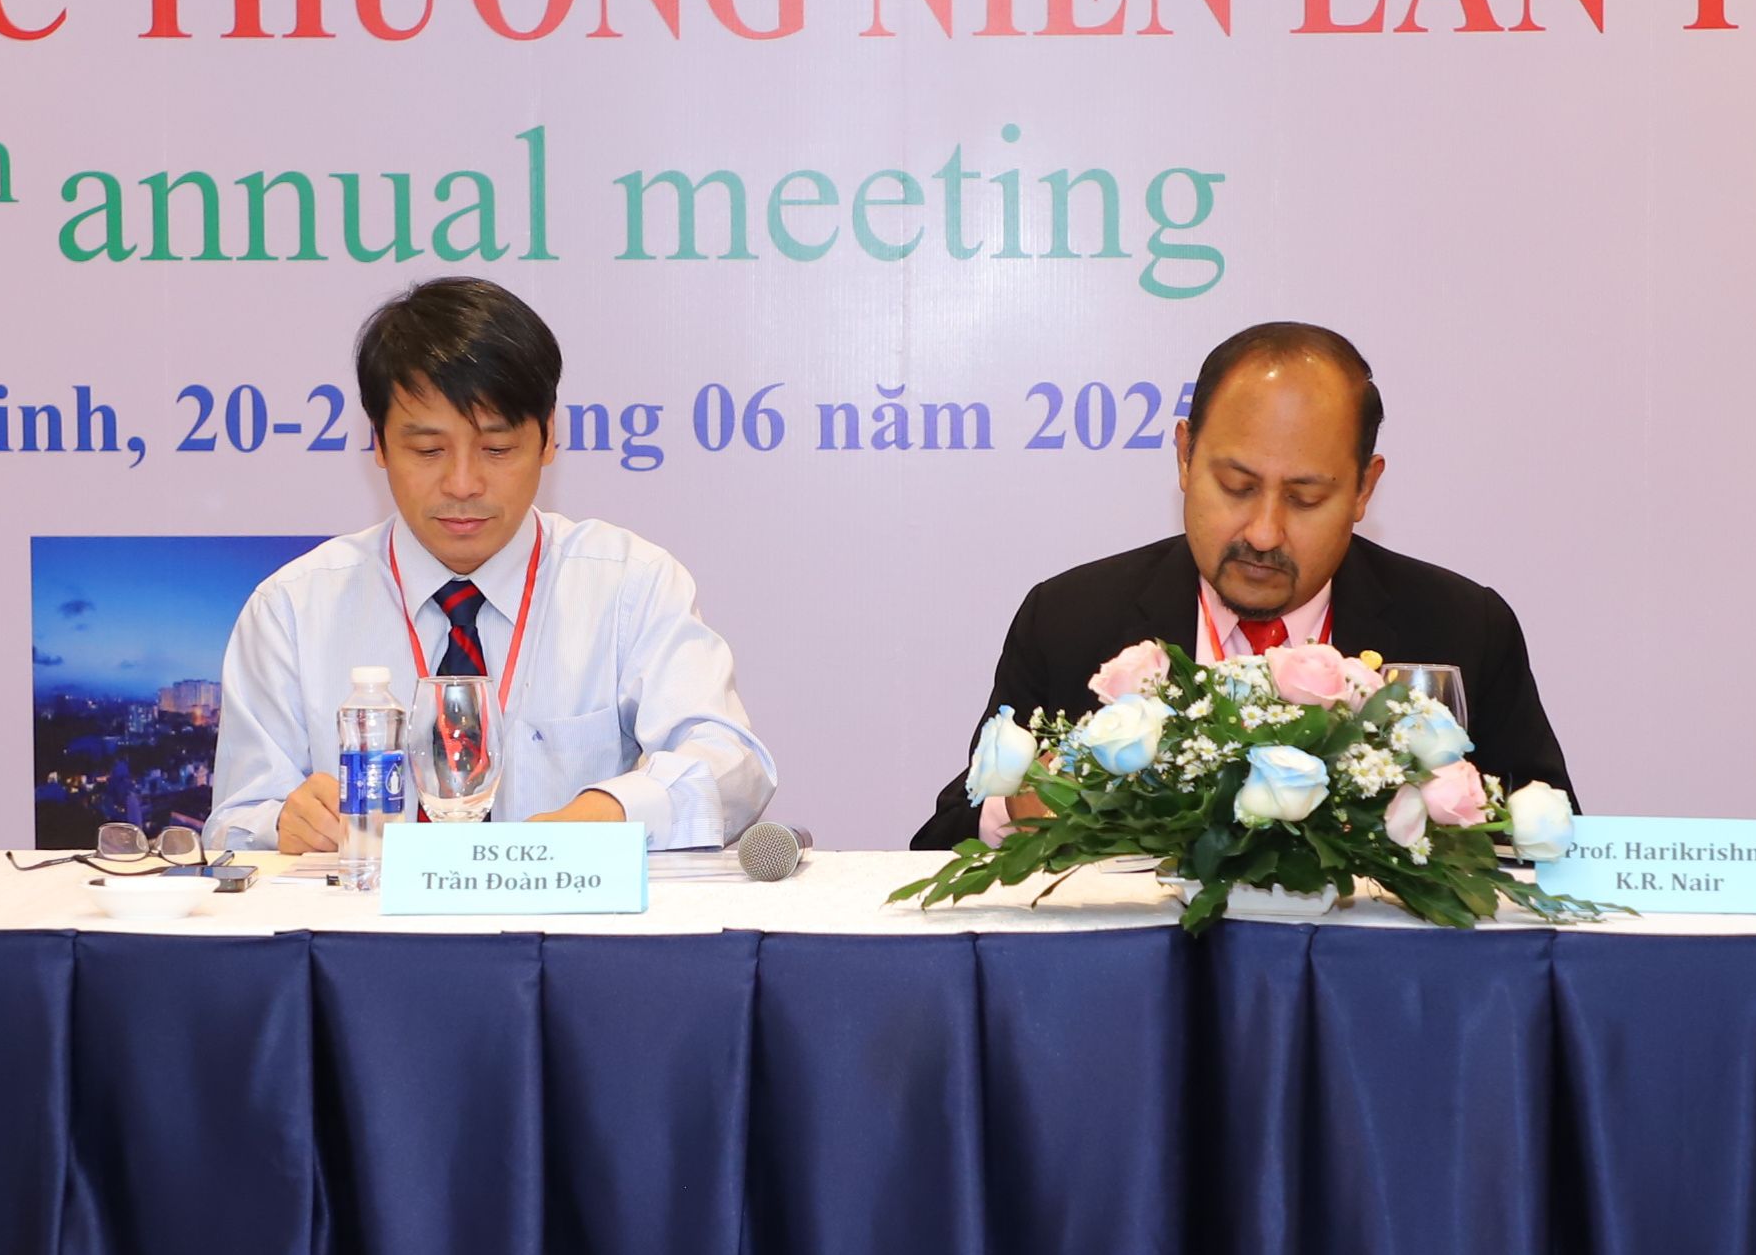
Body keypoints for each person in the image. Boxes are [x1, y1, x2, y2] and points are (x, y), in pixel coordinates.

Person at [915, 321, 1569, 849]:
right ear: (1184, 456)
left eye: (1306, 498)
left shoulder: (1461, 627)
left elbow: (1548, 844)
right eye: (1236, 487)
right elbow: (941, 842)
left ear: (1364, 489)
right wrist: (1021, 808)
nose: (1262, 532)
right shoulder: (1070, 619)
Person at [210, 278, 775, 852]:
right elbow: (234, 821)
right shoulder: (292, 608)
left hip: (562, 908)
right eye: (428, 450)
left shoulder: (630, 585)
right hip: (368, 910)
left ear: (548, 438)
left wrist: (608, 814)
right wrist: (284, 824)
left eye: (497, 449)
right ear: (378, 444)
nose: (462, 484)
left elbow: (733, 764)